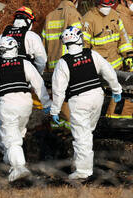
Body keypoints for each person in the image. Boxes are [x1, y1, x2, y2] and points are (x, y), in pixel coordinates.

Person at [50, 26, 123, 181]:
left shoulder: (63, 63)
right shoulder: (92, 54)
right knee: (86, 132)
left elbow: (58, 90)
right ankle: (78, 164)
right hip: (97, 95)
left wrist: (55, 110)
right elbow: (109, 71)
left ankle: (83, 171)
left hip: (79, 100)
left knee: (81, 136)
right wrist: (116, 89)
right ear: (80, 39)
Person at [0, 36, 51, 182]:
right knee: (17, 132)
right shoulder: (24, 63)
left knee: (12, 139)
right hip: (25, 104)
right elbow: (38, 83)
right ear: (15, 48)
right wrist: (47, 104)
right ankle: (7, 160)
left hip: (8, 105)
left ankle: (19, 167)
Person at [82, 0, 133, 73]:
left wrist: (128, 54)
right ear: (98, 3)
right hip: (100, 71)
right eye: (105, 4)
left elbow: (123, 37)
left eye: (110, 4)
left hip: (118, 69)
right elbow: (84, 46)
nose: (108, 7)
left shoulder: (114, 15)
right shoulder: (88, 19)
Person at [42, 0, 85, 79]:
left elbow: (43, 44)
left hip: (53, 69)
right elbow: (81, 41)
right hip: (70, 67)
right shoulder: (73, 14)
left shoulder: (49, 16)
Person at [0, 6, 47, 74]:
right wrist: (38, 74)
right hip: (25, 79)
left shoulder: (1, 36)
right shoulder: (32, 36)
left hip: (4, 77)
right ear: (29, 22)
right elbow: (41, 60)